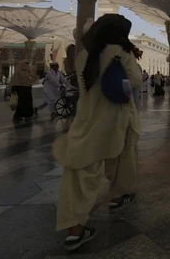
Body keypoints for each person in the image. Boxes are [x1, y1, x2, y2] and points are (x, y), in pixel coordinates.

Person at [53, 14, 142, 251]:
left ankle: (75, 229)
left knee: (81, 172)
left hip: (85, 121)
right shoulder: (122, 52)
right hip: (114, 120)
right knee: (120, 159)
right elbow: (135, 81)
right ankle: (118, 196)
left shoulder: (84, 56)